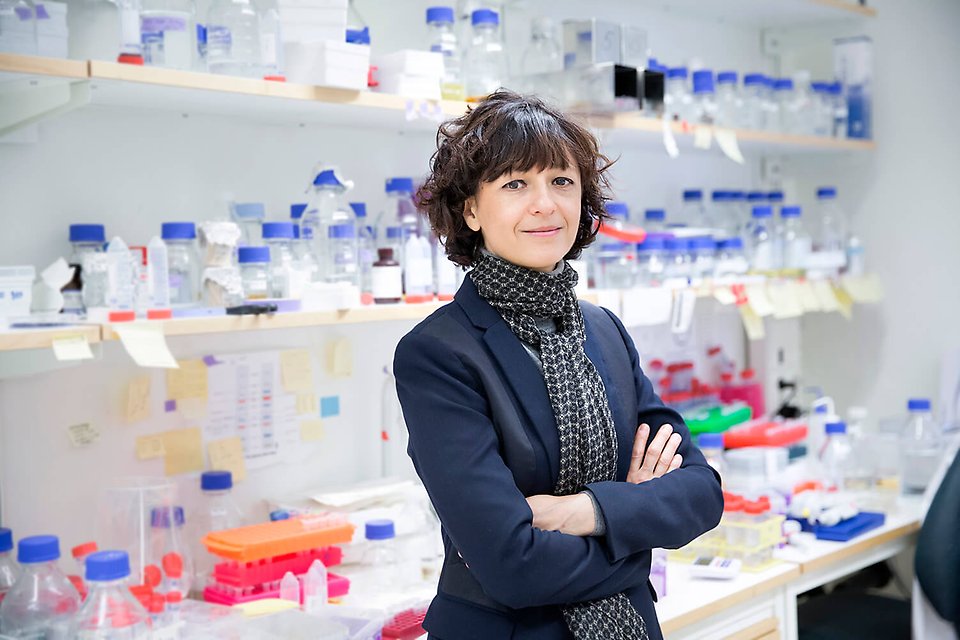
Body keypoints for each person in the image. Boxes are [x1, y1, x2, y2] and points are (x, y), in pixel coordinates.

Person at [394, 90, 723, 640]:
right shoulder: (439, 354)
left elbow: (701, 494)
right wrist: (637, 533)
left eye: (561, 182)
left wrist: (584, 511)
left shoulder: (603, 330)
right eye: (515, 184)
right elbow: (512, 565)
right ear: (471, 209)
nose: (545, 204)